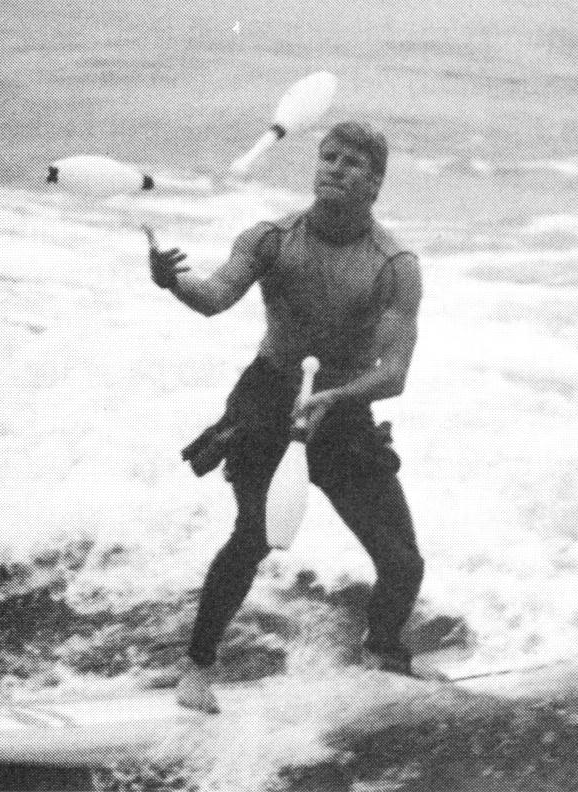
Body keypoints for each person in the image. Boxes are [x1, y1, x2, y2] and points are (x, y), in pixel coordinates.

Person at [144, 122, 425, 714]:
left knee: (402, 561)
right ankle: (197, 669)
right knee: (252, 534)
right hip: (267, 401)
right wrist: (173, 282)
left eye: (352, 163)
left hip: (342, 410)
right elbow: (214, 297)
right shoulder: (271, 239)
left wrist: (335, 397)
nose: (335, 169)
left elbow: (394, 373)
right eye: (329, 157)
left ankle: (384, 656)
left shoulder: (394, 265)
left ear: (375, 184)